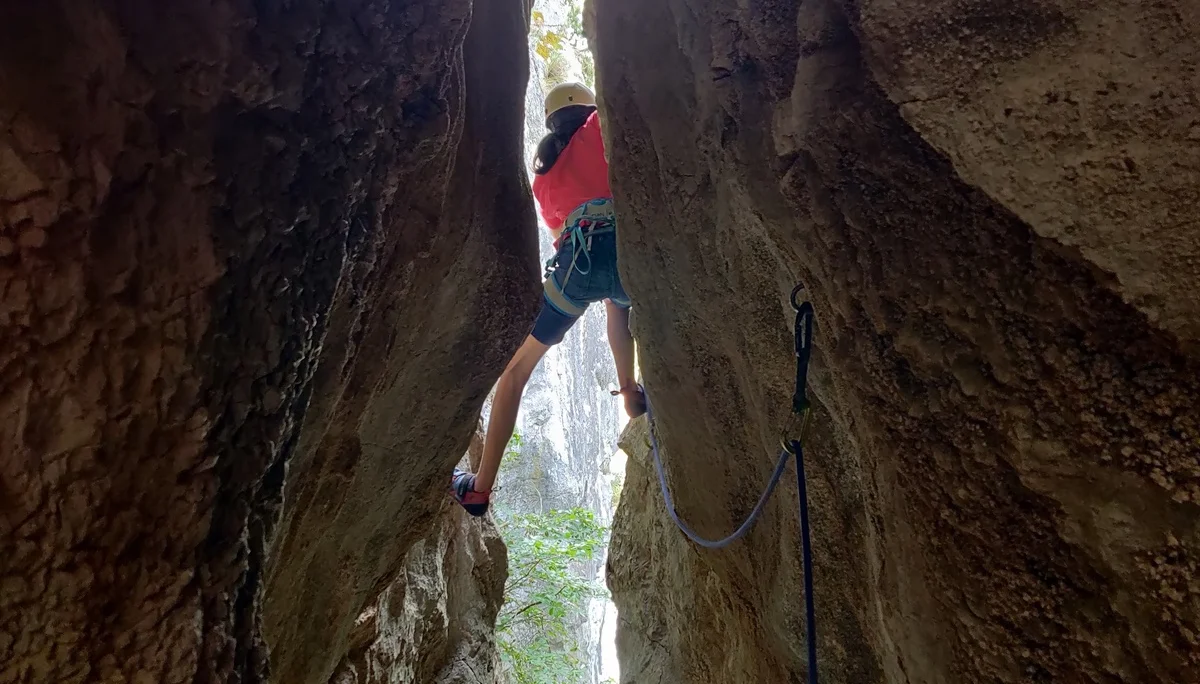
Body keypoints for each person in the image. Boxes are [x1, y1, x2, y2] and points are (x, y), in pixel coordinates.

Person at [450, 82, 645, 517]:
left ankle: (479, 489)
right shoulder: (599, 124)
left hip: (577, 268)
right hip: (632, 259)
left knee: (516, 372)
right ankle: (631, 392)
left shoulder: (545, 178)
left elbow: (559, 237)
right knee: (621, 307)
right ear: (588, 111)